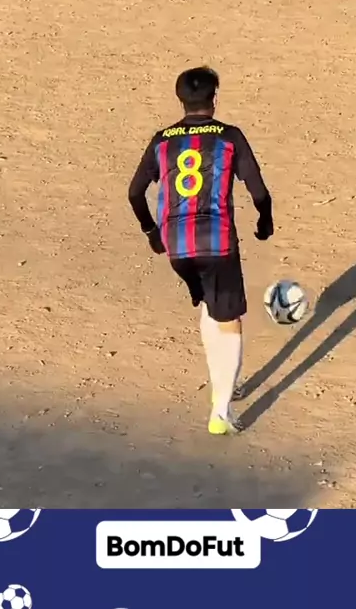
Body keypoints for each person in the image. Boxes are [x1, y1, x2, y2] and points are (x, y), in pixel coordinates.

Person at [128, 66, 273, 434]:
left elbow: (135, 192)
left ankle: (221, 384)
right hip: (217, 243)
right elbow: (258, 190)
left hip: (177, 247)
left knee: (210, 304)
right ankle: (221, 410)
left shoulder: (162, 140)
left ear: (181, 99)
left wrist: (151, 231)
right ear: (214, 98)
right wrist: (264, 220)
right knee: (230, 319)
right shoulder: (229, 137)